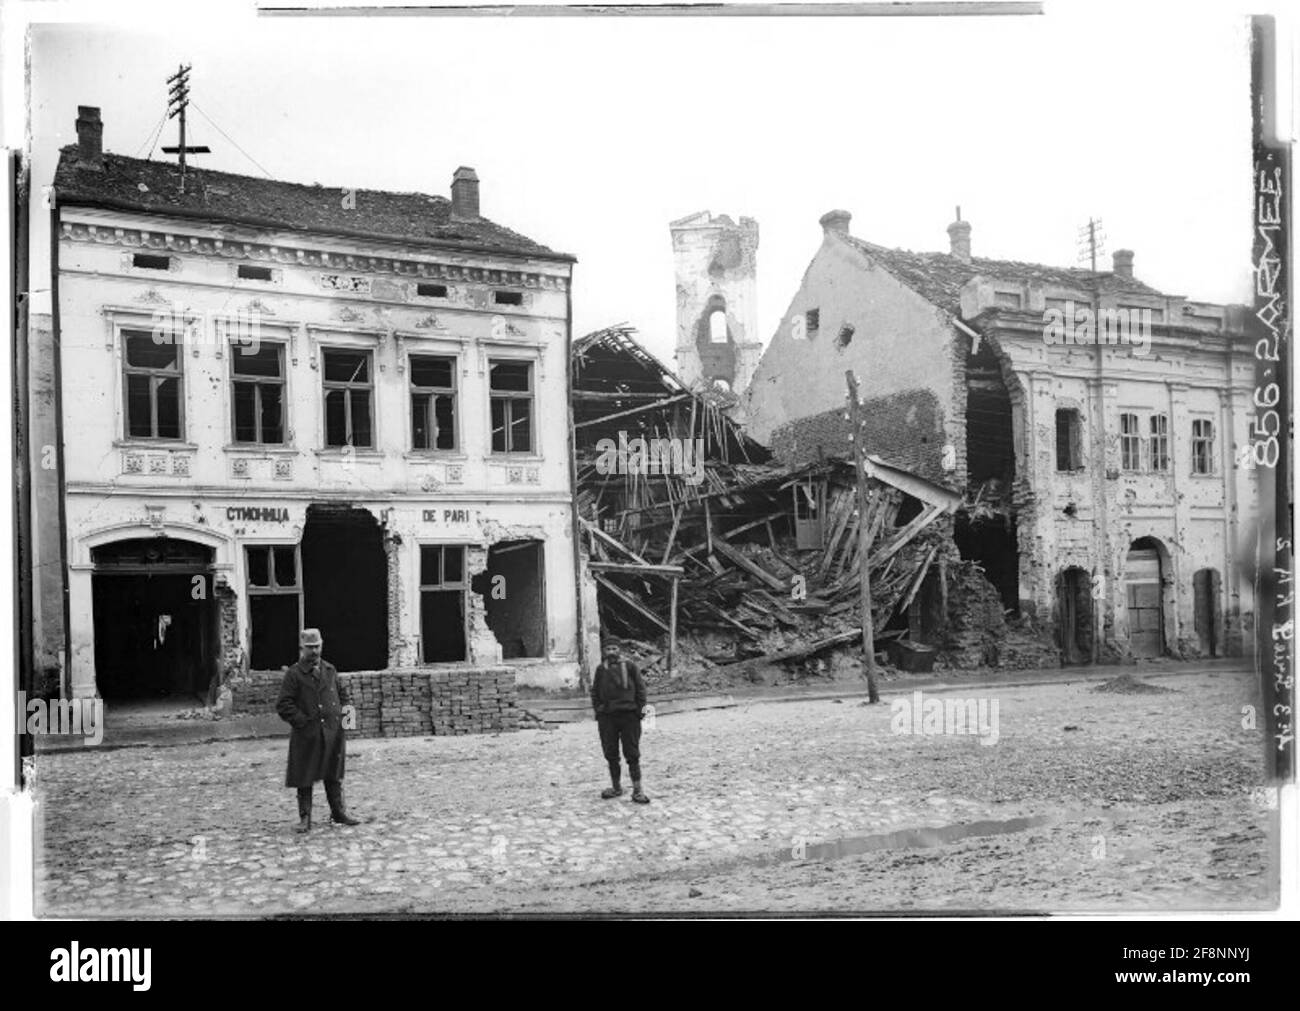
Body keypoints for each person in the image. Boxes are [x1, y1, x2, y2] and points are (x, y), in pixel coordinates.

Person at [276, 628, 361, 832]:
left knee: (333, 774)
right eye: (310, 647)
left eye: (317, 647)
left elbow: (344, 696)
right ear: (302, 648)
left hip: (332, 732)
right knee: (304, 776)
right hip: (307, 734)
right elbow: (283, 705)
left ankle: (338, 813)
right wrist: (302, 723)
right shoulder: (294, 674)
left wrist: (346, 725)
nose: (314, 651)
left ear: (322, 645)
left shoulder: (330, 670)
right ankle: (305, 818)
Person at [590, 642, 650, 804]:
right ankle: (616, 787)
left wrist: (641, 713)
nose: (611, 652)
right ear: (603, 651)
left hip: (630, 716)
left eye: (614, 648)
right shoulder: (601, 669)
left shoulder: (630, 667)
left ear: (620, 650)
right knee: (611, 754)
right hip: (608, 718)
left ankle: (638, 790)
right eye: (608, 649)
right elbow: (595, 692)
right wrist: (599, 711)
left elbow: (641, 690)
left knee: (632, 754)